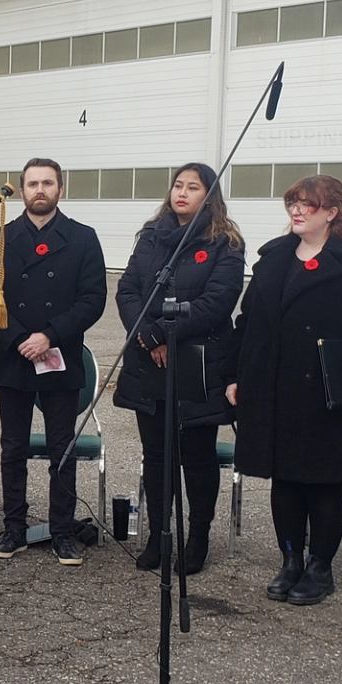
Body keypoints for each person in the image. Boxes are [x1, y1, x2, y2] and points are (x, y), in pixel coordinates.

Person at [227, 174, 342, 606]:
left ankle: (321, 566)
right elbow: (249, 324)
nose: (297, 211)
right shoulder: (276, 257)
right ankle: (290, 560)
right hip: (275, 387)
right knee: (284, 479)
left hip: (328, 391)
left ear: (332, 212)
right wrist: (236, 376)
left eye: (308, 205)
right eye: (293, 204)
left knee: (322, 481)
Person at [114, 163, 244, 576]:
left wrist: (166, 336)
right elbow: (128, 289)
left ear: (210, 195)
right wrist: (147, 336)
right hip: (147, 359)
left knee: (197, 456)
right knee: (156, 456)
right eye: (178, 185)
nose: (182, 192)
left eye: (193, 187)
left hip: (198, 365)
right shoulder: (151, 236)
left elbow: (216, 302)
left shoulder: (225, 242)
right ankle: (158, 535)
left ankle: (198, 536)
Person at [0, 159, 108, 564]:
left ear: (60, 189)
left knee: (61, 450)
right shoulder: (0, 239)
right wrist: (20, 339)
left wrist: (49, 335)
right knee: (12, 448)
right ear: (21, 190)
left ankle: (62, 531)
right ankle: (14, 528)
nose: (40, 189)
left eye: (47, 183)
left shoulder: (83, 238)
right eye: (32, 183)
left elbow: (93, 299)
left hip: (59, 354)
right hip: (15, 356)